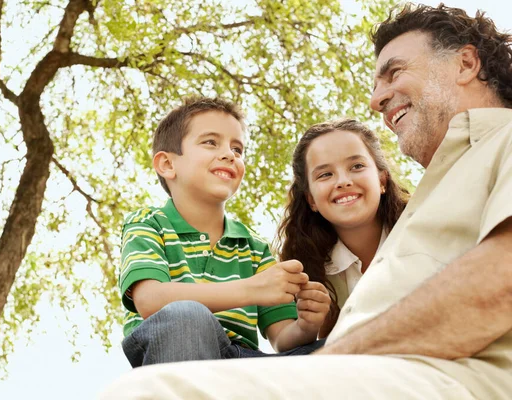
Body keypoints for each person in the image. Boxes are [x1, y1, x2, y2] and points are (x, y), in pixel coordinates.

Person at [100, 4, 512, 399]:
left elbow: (500, 283)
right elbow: (154, 301)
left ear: (466, 64)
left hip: (406, 377)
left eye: (395, 72)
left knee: (149, 393)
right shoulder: (440, 190)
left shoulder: (502, 141)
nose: (376, 100)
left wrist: (325, 360)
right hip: (357, 372)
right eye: (324, 175)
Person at [119, 96, 329, 368]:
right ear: (168, 165)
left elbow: (283, 339)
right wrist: (251, 289)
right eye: (210, 142)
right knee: (186, 317)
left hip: (244, 363)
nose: (230, 154)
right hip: (175, 350)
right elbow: (150, 300)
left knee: (346, 348)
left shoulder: (253, 247)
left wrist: (307, 324)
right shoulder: (149, 223)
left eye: (238, 149)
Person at [275, 119, 408, 337]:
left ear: (382, 180)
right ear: (311, 200)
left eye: (356, 166)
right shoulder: (310, 269)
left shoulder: (423, 230)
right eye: (325, 174)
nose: (343, 181)